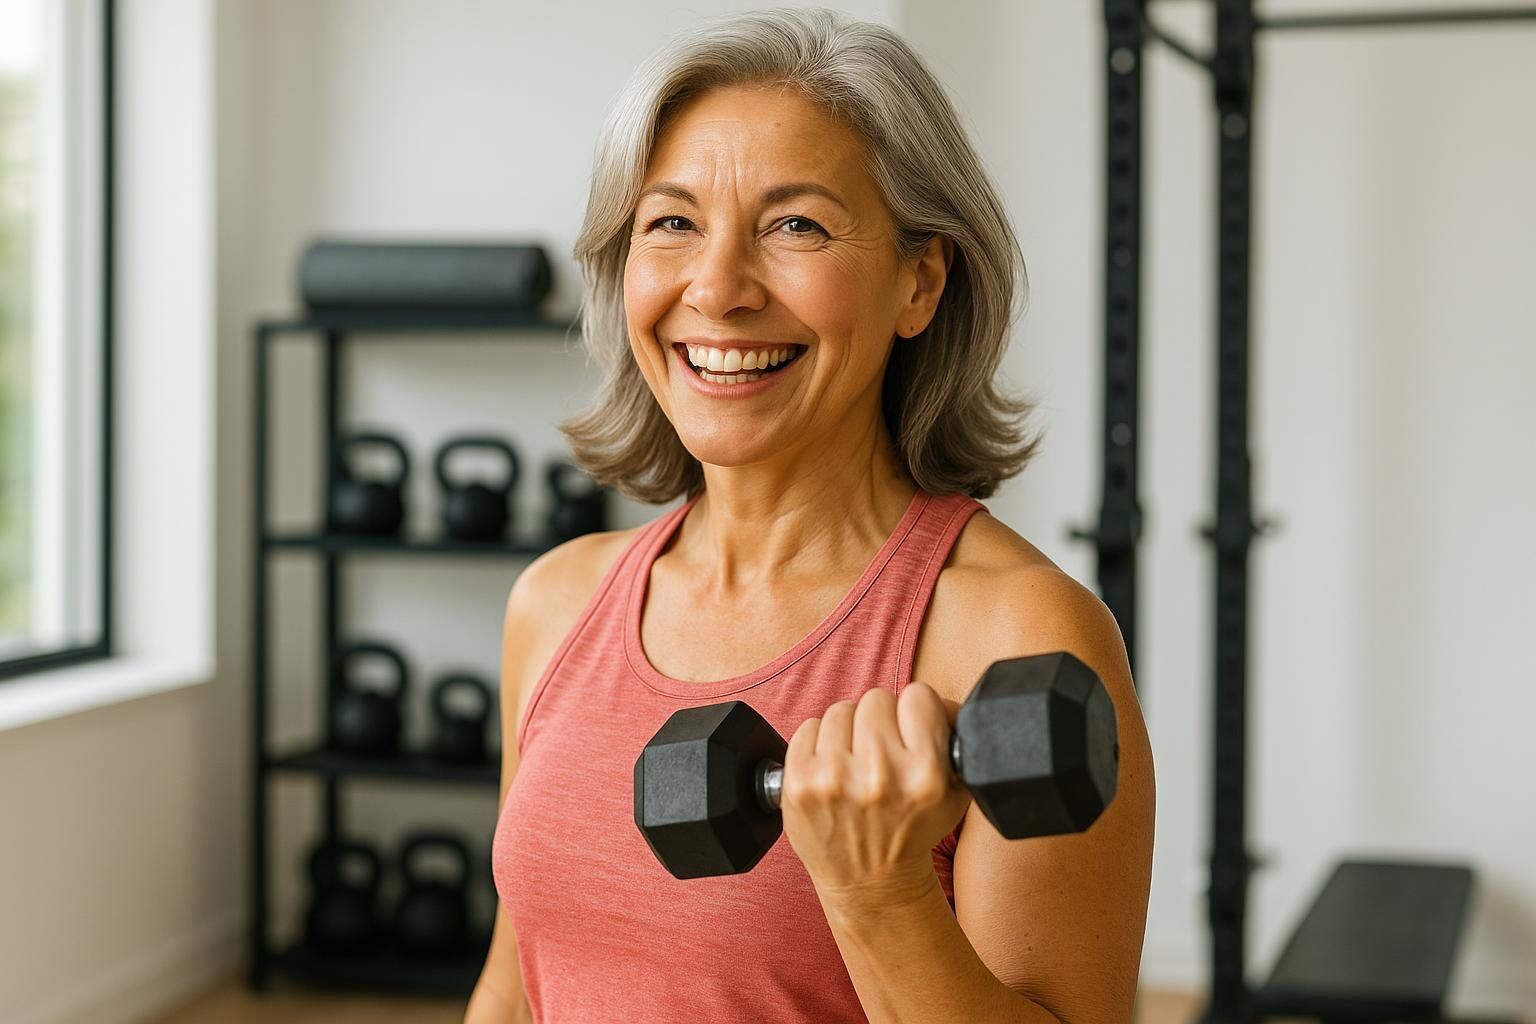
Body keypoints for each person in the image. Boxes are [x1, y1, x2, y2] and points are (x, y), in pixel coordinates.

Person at [465, 8, 1153, 1022]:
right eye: (673, 222)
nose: (719, 287)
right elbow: (514, 983)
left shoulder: (1019, 637)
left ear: (920, 278)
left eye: (797, 225)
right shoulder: (555, 603)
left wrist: (881, 893)